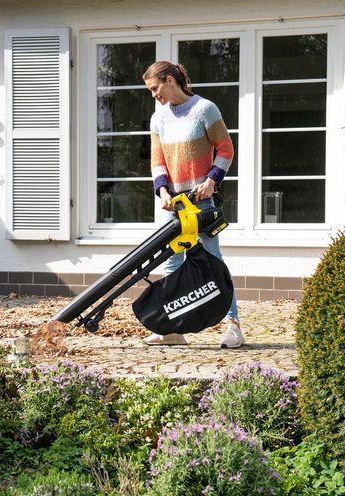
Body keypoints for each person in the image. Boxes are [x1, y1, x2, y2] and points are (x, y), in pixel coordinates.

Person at [141, 60, 243, 349]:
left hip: (201, 202)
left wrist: (212, 180)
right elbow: (157, 160)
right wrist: (161, 191)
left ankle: (233, 325)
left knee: (213, 262)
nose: (154, 95)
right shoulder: (158, 119)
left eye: (155, 88)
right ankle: (172, 330)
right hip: (173, 206)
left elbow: (225, 149)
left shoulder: (204, 109)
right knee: (171, 263)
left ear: (170, 80)